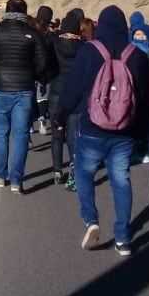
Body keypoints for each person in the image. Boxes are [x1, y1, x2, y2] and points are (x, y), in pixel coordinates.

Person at [55, 5, 149, 257]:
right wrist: (142, 131)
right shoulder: (137, 55)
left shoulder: (90, 51)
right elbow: (144, 99)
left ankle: (91, 220)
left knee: (84, 172)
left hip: (92, 127)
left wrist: (60, 116)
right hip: (125, 130)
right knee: (121, 180)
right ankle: (122, 238)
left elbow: (72, 88)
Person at [0, 0, 50, 194]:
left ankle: (1, 176)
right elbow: (43, 63)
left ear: (7, 10)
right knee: (20, 135)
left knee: (2, 132)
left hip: (1, 87)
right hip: (24, 89)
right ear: (25, 11)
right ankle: (17, 180)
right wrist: (31, 75)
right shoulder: (32, 32)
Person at [48, 11, 84, 189]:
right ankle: (74, 171)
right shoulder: (84, 47)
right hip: (75, 95)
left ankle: (56, 170)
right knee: (72, 135)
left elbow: (47, 66)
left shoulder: (54, 44)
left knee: (57, 134)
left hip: (56, 92)